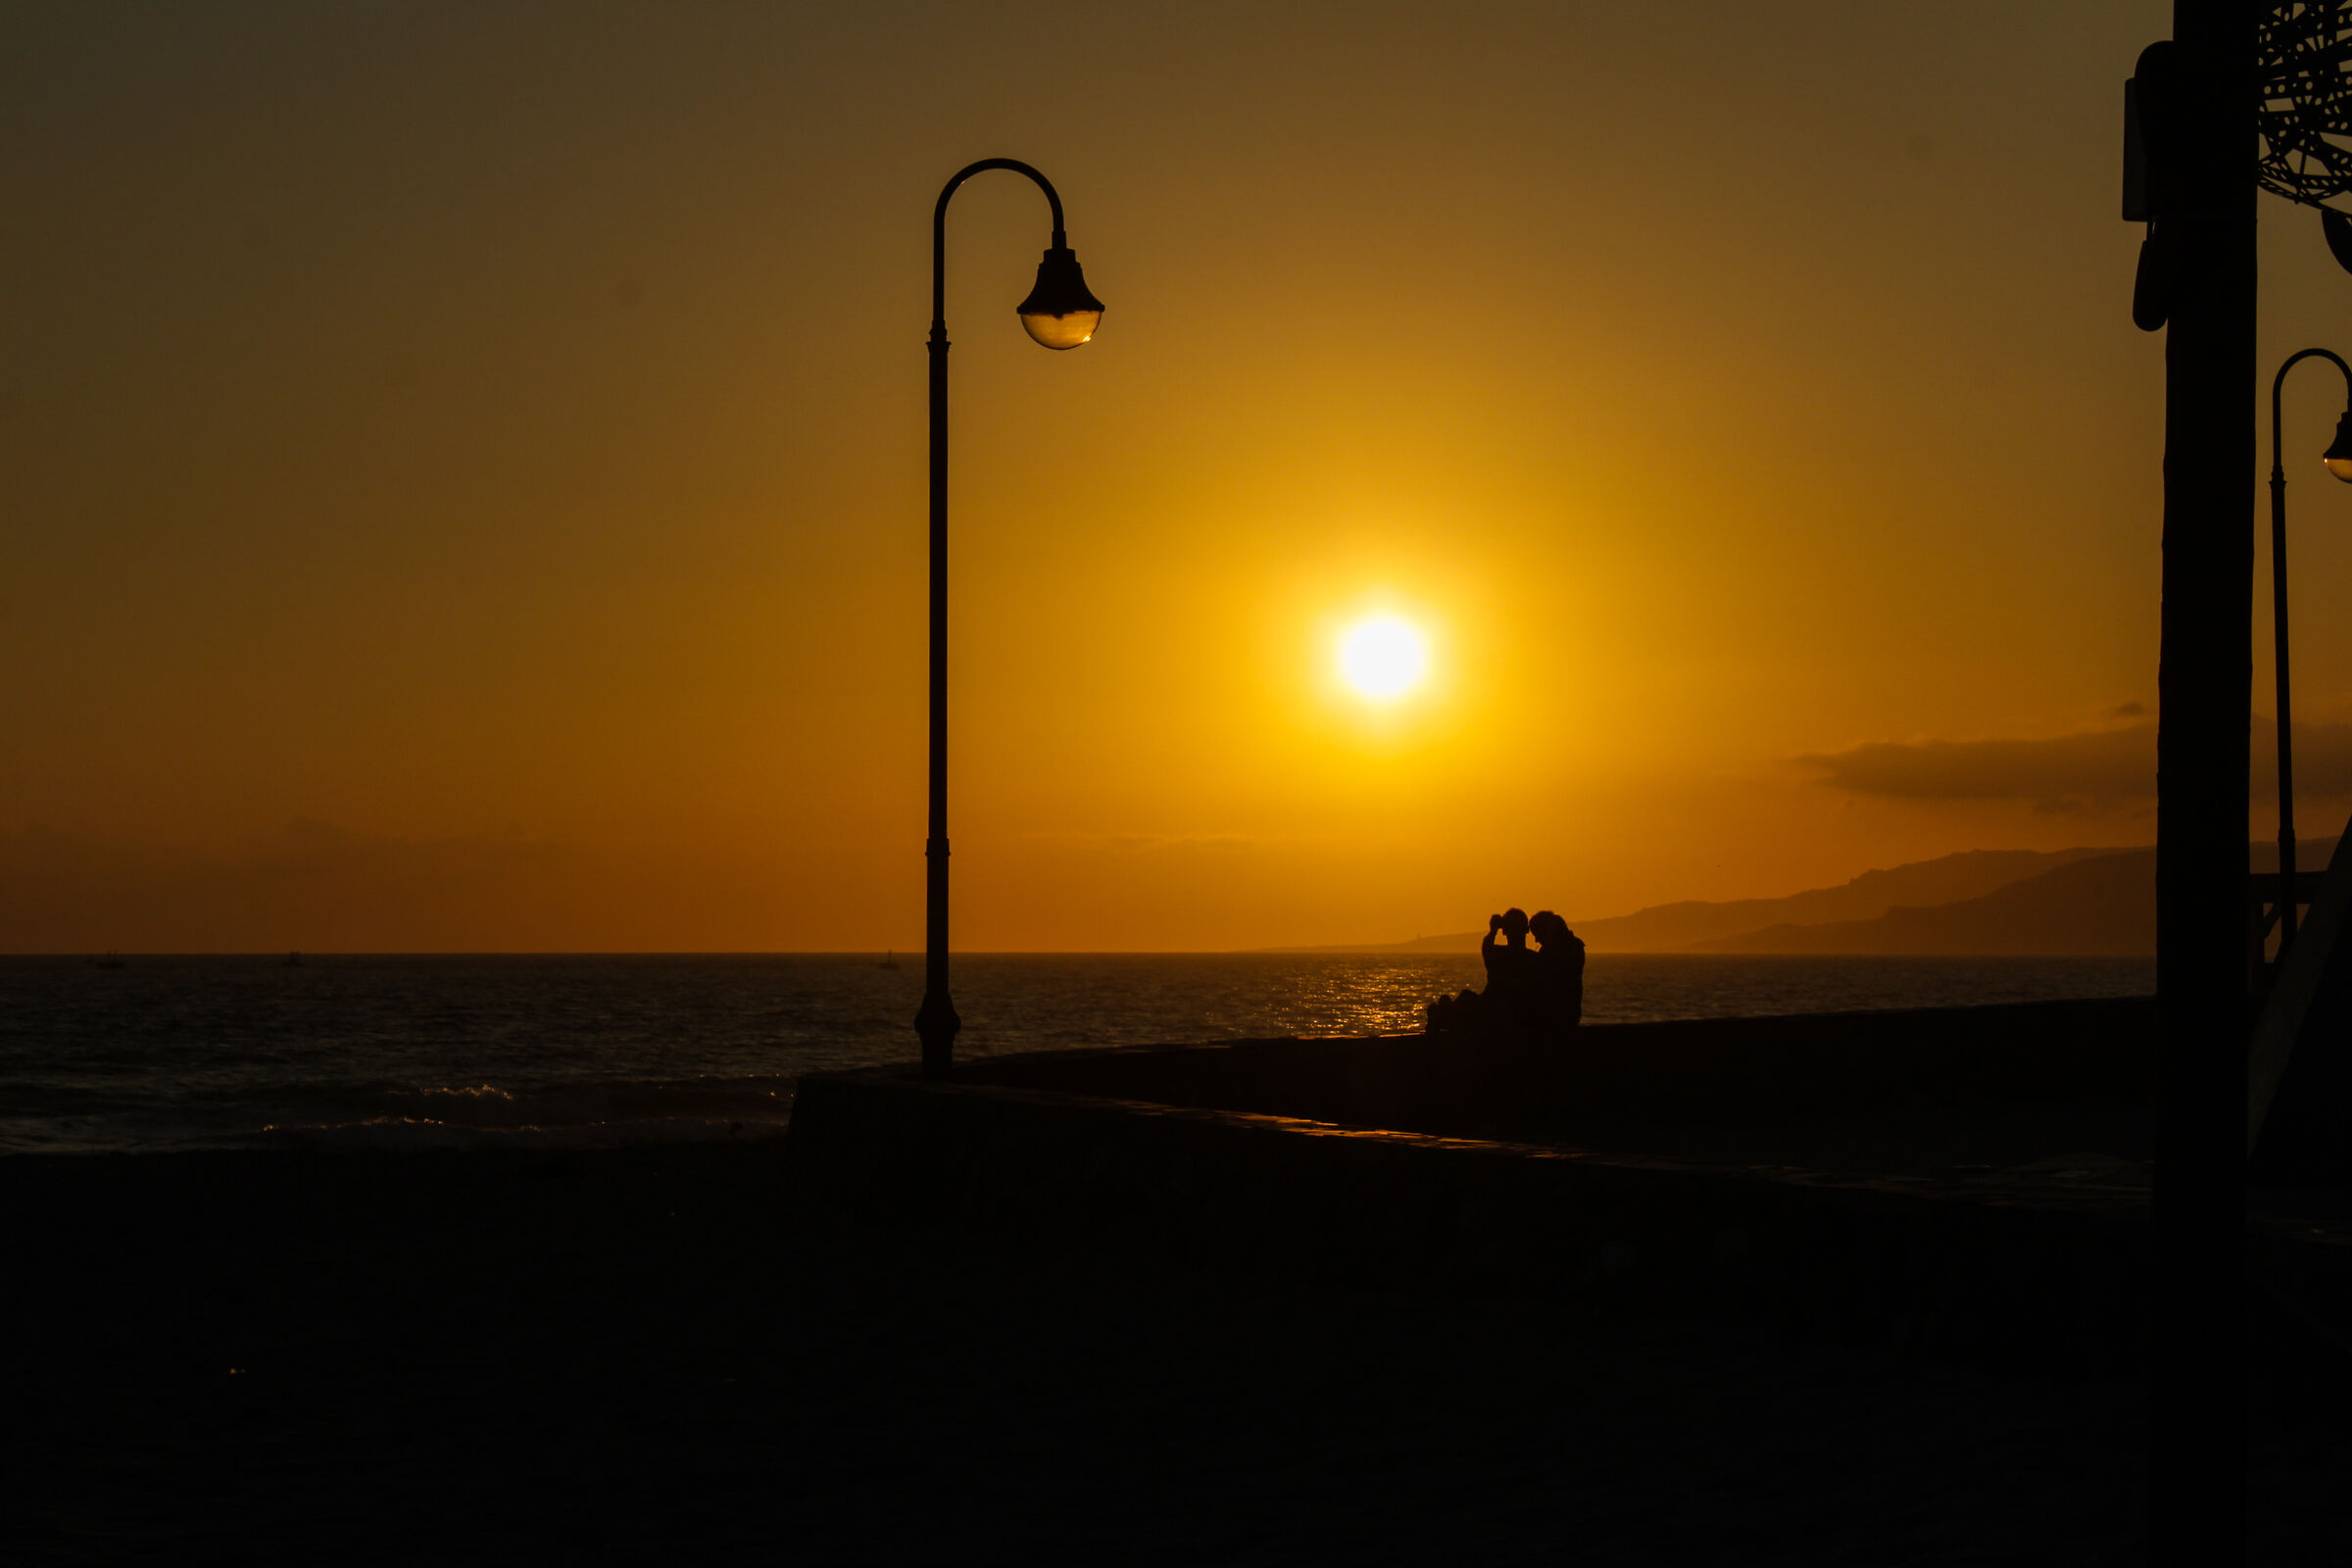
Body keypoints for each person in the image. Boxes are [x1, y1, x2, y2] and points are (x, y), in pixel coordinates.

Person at [1528, 909, 1586, 1032]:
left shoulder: (1552, 952)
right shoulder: (1575, 947)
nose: (1536, 940)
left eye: (1537, 934)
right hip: (1571, 1012)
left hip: (1557, 1014)